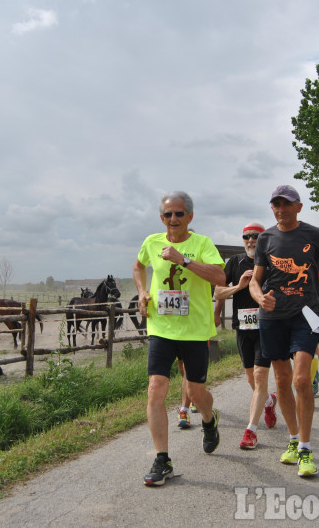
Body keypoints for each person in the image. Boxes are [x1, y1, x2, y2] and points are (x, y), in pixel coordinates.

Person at [249, 185, 319, 478]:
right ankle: (293, 439)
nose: (281, 209)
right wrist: (258, 298)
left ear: (299, 207)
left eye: (287, 204)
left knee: (302, 379)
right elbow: (255, 281)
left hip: (308, 315)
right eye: (276, 204)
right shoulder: (265, 239)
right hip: (272, 317)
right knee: (281, 378)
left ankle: (305, 447)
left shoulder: (314, 235)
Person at [133, 190, 226, 486]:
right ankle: (162, 459)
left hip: (195, 329)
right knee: (155, 388)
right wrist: (142, 291)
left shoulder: (202, 244)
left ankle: (209, 421)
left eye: (179, 213)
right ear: (162, 218)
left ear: (190, 216)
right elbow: (138, 266)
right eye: (168, 214)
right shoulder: (151, 242)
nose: (173, 219)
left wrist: (182, 259)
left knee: (197, 393)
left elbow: (219, 278)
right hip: (162, 327)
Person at [213, 222, 278, 451]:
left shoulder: (272, 260)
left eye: (255, 237)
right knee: (251, 380)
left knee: (260, 378)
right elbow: (218, 291)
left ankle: (250, 431)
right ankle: (269, 402)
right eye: (246, 237)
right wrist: (239, 287)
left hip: (266, 327)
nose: (250, 240)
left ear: (263, 240)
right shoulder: (235, 262)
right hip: (243, 327)